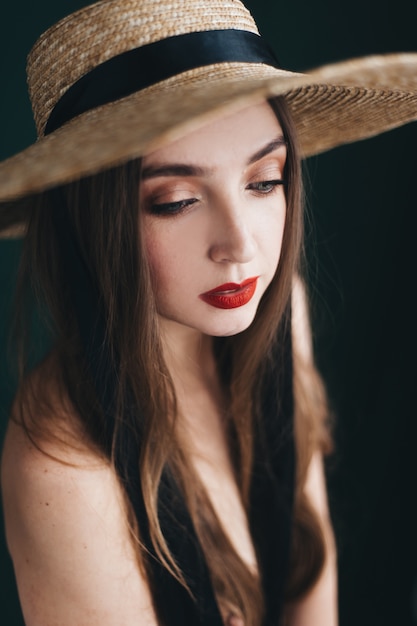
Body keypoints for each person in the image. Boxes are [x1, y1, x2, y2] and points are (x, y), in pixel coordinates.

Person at [0, 1, 416, 625]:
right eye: (177, 201)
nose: (241, 246)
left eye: (264, 180)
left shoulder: (284, 322)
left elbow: (312, 592)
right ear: (95, 221)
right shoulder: (63, 468)